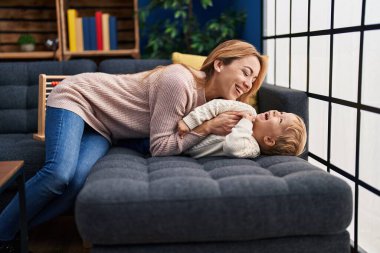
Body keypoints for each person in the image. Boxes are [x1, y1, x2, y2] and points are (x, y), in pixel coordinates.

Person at [0, 39, 268, 252]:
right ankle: (3, 233)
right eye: (246, 72)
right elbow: (162, 146)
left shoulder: (210, 104)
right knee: (59, 174)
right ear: (219, 64)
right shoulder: (179, 82)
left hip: (104, 127)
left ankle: (9, 231)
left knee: (77, 184)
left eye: (253, 80)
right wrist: (206, 128)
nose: (248, 83)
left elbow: (201, 138)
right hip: (78, 97)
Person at [178, 99, 307, 158]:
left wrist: (246, 122)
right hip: (185, 122)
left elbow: (232, 146)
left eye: (280, 119)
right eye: (281, 112)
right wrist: (190, 121)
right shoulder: (248, 110)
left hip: (184, 148)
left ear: (268, 140)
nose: (276, 112)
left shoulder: (252, 148)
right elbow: (217, 105)